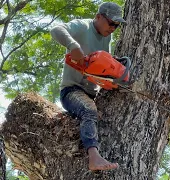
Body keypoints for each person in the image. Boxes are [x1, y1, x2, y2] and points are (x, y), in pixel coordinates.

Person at [50, 2, 126, 171]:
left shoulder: (107, 37)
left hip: (93, 93)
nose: (114, 27)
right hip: (71, 90)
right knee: (89, 110)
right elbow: (56, 30)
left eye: (117, 25)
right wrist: (73, 46)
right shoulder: (83, 26)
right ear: (98, 17)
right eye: (111, 23)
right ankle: (94, 157)